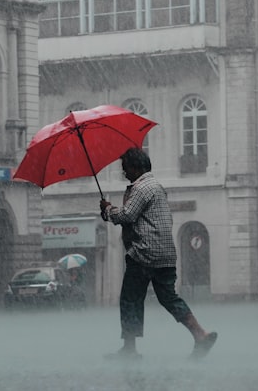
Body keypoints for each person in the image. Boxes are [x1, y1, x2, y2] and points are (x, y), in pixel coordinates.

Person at [99, 147, 217, 360]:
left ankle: (129, 349)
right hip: (165, 255)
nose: (124, 172)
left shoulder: (142, 188)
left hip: (144, 253)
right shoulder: (157, 187)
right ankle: (200, 334)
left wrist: (108, 210)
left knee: (130, 299)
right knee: (169, 298)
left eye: (125, 167)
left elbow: (127, 215)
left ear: (136, 167)